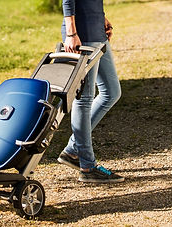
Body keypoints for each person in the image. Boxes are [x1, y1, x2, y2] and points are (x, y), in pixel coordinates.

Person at [57, 0, 125, 183]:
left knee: (111, 92)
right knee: (84, 99)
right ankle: (87, 166)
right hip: (82, 34)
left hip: (97, 32)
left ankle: (72, 151)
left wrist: (101, 17)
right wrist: (72, 33)